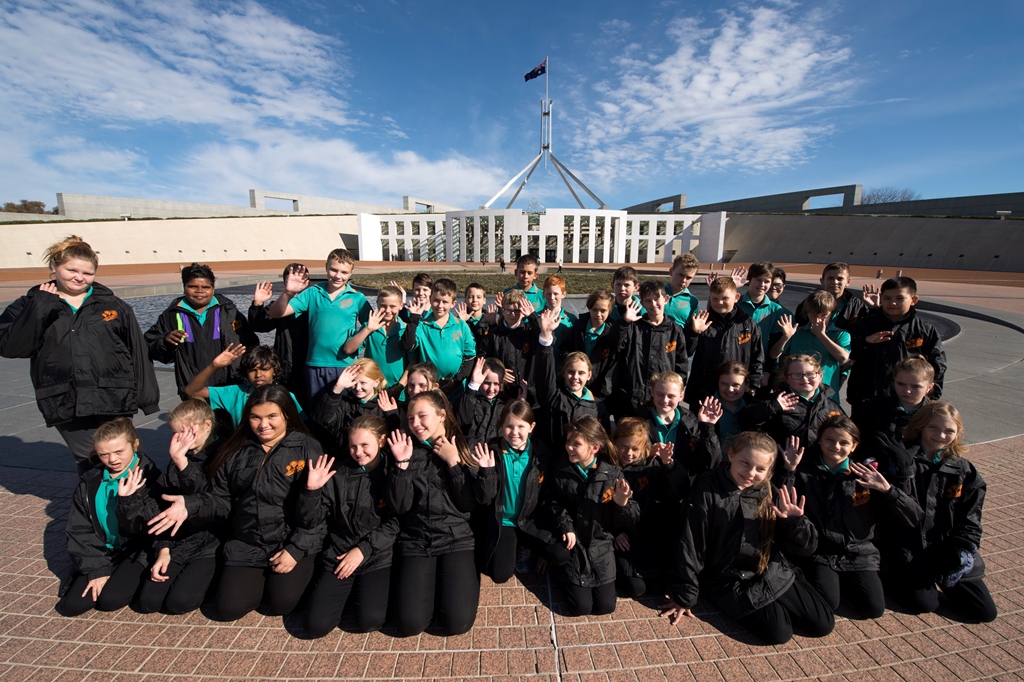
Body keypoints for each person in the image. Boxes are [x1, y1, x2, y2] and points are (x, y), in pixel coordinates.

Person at [148, 385, 325, 622]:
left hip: (290, 539)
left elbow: (319, 516)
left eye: (272, 416)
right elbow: (221, 500)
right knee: (228, 609)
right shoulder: (235, 449)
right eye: (255, 417)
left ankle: (289, 577)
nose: (264, 425)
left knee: (282, 603)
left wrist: (295, 549)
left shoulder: (306, 447)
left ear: (286, 415)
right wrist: (191, 505)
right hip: (247, 543)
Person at [0, 236, 159, 474]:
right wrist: (40, 307)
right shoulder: (30, 304)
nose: (79, 277)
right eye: (71, 269)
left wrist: (147, 398)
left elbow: (136, 351)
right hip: (65, 399)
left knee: (127, 457)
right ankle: (98, 509)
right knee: (92, 462)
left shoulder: (114, 306)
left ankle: (137, 506)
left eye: (87, 272)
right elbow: (12, 347)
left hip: (114, 397)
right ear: (54, 267)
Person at [663, 431, 834, 645]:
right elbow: (690, 544)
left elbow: (805, 548)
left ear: (769, 471)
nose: (751, 473)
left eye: (760, 469)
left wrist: (793, 524)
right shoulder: (707, 489)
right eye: (745, 463)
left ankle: (775, 604)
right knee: (780, 633)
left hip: (767, 569)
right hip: (727, 579)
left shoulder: (768, 490)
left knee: (823, 625)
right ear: (731, 455)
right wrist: (684, 596)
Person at [777, 416, 922, 619]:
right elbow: (781, 499)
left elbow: (913, 516)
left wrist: (888, 490)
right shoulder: (805, 471)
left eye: (844, 442)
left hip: (858, 552)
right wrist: (789, 470)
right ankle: (827, 579)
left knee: (873, 609)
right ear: (819, 440)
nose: (835, 446)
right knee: (828, 602)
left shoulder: (865, 475)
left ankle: (846, 580)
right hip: (822, 552)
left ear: (854, 446)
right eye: (829, 440)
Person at [876, 402, 997, 623]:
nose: (940, 435)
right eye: (933, 428)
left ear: (958, 433)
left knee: (985, 612)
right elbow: (895, 515)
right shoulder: (901, 460)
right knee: (923, 603)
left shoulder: (964, 470)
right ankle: (893, 577)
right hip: (909, 545)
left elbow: (971, 517)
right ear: (921, 426)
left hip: (944, 546)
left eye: (949, 430)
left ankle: (937, 574)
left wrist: (962, 549)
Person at [387, 390, 480, 636]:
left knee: (458, 623)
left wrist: (453, 464)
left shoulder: (463, 444)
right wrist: (401, 466)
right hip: (416, 539)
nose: (415, 424)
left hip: (455, 538)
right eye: (410, 418)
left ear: (441, 415)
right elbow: (400, 507)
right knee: (410, 623)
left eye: (422, 416)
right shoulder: (405, 448)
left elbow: (468, 503)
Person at [299, 416, 399, 637]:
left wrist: (363, 550)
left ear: (381, 441)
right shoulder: (338, 473)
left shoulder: (392, 471)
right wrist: (312, 491)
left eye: (365, 445)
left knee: (370, 620)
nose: (358, 452)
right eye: (353, 446)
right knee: (316, 625)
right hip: (339, 553)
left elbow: (396, 522)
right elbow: (311, 520)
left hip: (376, 555)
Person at [58, 418, 160, 616]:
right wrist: (97, 569)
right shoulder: (90, 482)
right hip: (104, 550)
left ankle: (130, 579)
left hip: (136, 550)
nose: (112, 459)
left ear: (135, 444)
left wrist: (129, 500)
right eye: (104, 454)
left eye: (119, 451)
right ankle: (110, 573)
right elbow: (79, 528)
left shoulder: (150, 477)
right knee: (72, 606)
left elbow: (146, 529)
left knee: (110, 600)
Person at [544, 416, 639, 616]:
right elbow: (551, 501)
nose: (569, 447)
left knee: (606, 607)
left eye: (576, 443)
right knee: (580, 607)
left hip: (599, 543)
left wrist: (621, 505)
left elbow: (628, 518)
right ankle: (559, 573)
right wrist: (566, 526)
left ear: (594, 448)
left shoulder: (612, 474)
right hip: (573, 541)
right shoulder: (560, 469)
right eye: (568, 441)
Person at [133, 400, 222, 615]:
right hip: (179, 539)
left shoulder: (222, 454)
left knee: (179, 602)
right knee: (148, 602)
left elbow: (209, 499)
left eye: (188, 431)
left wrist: (182, 463)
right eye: (176, 433)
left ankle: (215, 581)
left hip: (212, 539)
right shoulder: (179, 457)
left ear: (207, 425)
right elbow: (162, 503)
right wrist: (163, 549)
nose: (182, 439)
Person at [470, 400, 568, 583]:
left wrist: (563, 526)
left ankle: (527, 546)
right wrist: (487, 471)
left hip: (531, 519)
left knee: (561, 553)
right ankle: (514, 545)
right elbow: (484, 498)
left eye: (521, 426)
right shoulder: (491, 451)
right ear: (501, 426)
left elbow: (548, 494)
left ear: (531, 427)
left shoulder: (541, 453)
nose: (515, 432)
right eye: (509, 426)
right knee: (499, 575)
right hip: (504, 521)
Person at [269, 249, 372, 406]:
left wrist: (358, 344)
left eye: (344, 272)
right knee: (317, 411)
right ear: (326, 267)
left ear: (351, 272)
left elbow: (372, 325)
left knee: (342, 411)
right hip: (314, 365)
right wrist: (288, 293)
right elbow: (276, 313)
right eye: (333, 269)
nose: (338, 276)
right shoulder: (313, 293)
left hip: (345, 366)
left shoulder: (357, 298)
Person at [146, 263, 258, 399]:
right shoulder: (171, 315)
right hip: (192, 388)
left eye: (206, 287)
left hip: (230, 387)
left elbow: (251, 343)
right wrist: (165, 341)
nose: (200, 291)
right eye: (193, 286)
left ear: (213, 288)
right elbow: (149, 347)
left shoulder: (229, 311)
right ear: (184, 287)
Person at [846, 277, 946, 406]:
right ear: (881, 298)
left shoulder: (924, 330)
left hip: (908, 398)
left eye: (900, 299)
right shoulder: (865, 324)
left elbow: (937, 361)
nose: (893, 303)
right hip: (866, 397)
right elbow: (845, 351)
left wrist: (932, 391)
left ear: (913, 300)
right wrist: (865, 341)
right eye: (887, 298)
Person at [684, 275, 763, 410]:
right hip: (706, 390)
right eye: (715, 299)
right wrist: (694, 333)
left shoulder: (747, 324)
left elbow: (758, 358)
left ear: (736, 298)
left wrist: (753, 385)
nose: (719, 302)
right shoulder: (701, 321)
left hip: (736, 390)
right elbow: (687, 352)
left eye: (725, 298)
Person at [612, 281, 689, 417]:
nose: (653, 304)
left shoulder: (675, 331)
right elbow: (614, 345)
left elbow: (681, 365)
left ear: (665, 299)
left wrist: (676, 392)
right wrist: (624, 322)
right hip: (632, 398)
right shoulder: (634, 327)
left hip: (661, 400)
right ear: (642, 303)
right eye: (648, 301)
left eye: (656, 299)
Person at [535, 309, 610, 448]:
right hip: (555, 463)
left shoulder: (597, 407)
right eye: (571, 372)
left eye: (581, 373)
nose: (575, 377)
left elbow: (603, 441)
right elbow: (544, 371)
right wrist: (546, 336)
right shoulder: (553, 396)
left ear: (589, 375)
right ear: (563, 372)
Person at [183, 344, 304, 429]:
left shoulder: (286, 396)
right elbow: (192, 391)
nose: (258, 375)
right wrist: (214, 366)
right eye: (252, 370)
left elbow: (301, 425)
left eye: (264, 369)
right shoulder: (236, 393)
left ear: (275, 370)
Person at [739, 354, 842, 448]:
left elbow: (846, 435)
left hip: (818, 467)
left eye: (810, 374)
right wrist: (774, 407)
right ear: (786, 378)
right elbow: (745, 419)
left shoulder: (831, 406)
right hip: (781, 464)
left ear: (820, 377)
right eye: (797, 375)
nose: (805, 379)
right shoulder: (774, 400)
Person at [851, 356, 935, 468]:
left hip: (917, 474)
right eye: (901, 384)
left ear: (929, 387)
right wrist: (866, 458)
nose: (907, 391)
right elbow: (852, 436)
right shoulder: (873, 407)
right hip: (873, 469)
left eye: (916, 386)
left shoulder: (934, 415)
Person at [247, 265, 312, 408]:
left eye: (301, 280)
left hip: (308, 370)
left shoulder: (315, 305)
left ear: (307, 283)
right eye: (290, 280)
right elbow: (259, 326)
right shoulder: (278, 306)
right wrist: (257, 304)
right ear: (285, 283)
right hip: (284, 369)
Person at [402, 278, 477, 397]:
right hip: (428, 388)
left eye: (445, 302)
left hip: (456, 389)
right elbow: (408, 346)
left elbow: (469, 356)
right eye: (436, 300)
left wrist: (457, 380)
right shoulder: (422, 325)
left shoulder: (461, 325)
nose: (440, 305)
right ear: (430, 299)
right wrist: (414, 319)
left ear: (453, 303)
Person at [770, 290, 851, 396]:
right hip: (796, 394)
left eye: (824, 315)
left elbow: (843, 358)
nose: (818, 320)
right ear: (807, 314)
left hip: (826, 395)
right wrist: (785, 337)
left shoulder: (840, 334)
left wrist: (821, 335)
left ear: (832, 313)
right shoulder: (797, 332)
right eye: (813, 316)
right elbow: (773, 354)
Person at [311, 358, 399, 455]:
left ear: (376, 382)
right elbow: (321, 419)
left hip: (377, 459)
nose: (357, 388)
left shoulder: (385, 405)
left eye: (363, 383)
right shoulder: (344, 403)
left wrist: (392, 415)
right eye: (354, 382)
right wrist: (338, 388)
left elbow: (395, 438)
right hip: (346, 457)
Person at [343, 285, 407, 393]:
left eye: (392, 306)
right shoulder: (369, 327)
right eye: (383, 305)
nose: (387, 310)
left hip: (398, 391)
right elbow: (348, 349)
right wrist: (368, 329)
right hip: (372, 390)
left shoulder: (405, 329)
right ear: (377, 303)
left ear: (401, 305)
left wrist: (400, 386)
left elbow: (413, 362)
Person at [479, 288, 535, 403]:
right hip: (501, 391)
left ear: (523, 311)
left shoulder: (530, 332)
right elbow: (482, 358)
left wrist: (532, 316)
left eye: (517, 310)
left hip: (526, 389)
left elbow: (547, 340)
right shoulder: (494, 334)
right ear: (502, 310)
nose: (512, 314)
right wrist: (498, 372)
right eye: (508, 310)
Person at [563, 288, 617, 401]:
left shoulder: (613, 335)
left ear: (610, 310)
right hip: (575, 385)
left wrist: (603, 391)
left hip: (599, 391)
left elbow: (612, 366)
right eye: (594, 309)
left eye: (603, 311)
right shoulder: (576, 329)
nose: (598, 314)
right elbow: (565, 351)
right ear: (589, 308)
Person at [794, 262, 871, 331]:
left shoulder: (857, 305)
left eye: (840, 279)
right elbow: (800, 329)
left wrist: (874, 308)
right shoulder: (807, 304)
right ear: (822, 281)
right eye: (830, 278)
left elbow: (870, 327)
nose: (835, 282)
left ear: (848, 282)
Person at [456, 357, 509, 448]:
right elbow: (462, 420)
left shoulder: (504, 404)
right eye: (487, 383)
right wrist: (473, 385)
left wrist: (522, 400)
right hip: (472, 453)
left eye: (496, 384)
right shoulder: (470, 399)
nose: (491, 389)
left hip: (494, 456)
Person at [738, 261, 786, 358]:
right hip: (736, 359)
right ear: (749, 280)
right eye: (758, 280)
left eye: (767, 281)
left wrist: (769, 370)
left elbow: (774, 341)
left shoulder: (775, 310)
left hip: (761, 364)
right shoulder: (736, 303)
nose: (762, 284)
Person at [713, 361, 751, 455]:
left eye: (736, 385)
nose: (730, 389)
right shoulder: (704, 406)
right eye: (724, 384)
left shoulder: (752, 406)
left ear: (746, 385)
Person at [538, 274, 578, 359]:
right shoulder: (537, 317)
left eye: (556, 294)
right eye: (548, 294)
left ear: (563, 294)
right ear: (543, 294)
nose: (552, 297)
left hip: (563, 367)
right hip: (542, 364)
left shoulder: (571, 319)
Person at [664, 253, 701, 329]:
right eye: (681, 275)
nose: (684, 280)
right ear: (671, 271)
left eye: (688, 277)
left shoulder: (693, 301)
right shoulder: (656, 293)